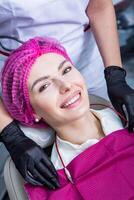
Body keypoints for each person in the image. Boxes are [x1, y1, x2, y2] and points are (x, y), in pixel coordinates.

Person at [0, 0, 134, 189]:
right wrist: (11, 136)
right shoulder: (60, 182)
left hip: (90, 53)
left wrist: (115, 76)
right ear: (32, 112)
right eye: (45, 86)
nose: (66, 86)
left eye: (66, 71)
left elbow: (100, 6)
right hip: (22, 72)